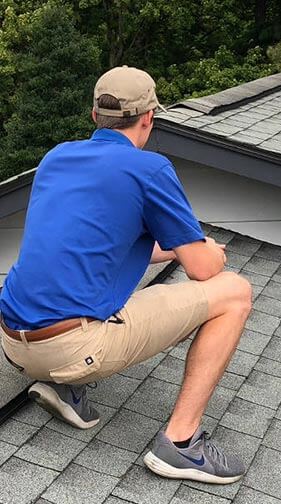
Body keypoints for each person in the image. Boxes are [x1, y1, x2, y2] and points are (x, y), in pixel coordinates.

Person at [0, 66, 253, 482]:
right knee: (235, 292)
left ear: (94, 115)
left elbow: (99, 247)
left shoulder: (57, 156)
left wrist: (179, 245)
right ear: (149, 117)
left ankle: (65, 389)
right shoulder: (150, 169)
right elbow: (203, 269)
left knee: (83, 288)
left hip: (13, 341)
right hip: (70, 348)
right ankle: (181, 444)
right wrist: (204, 248)